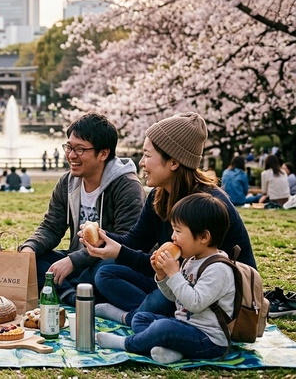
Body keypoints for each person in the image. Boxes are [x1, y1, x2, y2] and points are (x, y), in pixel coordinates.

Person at [83, 112, 256, 326]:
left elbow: (182, 270)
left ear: (173, 162)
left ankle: (134, 316)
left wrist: (121, 252)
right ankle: (145, 314)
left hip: (214, 294)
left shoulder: (206, 206)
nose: (142, 163)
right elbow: (137, 241)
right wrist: (104, 238)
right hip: (177, 281)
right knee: (105, 273)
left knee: (160, 299)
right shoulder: (159, 195)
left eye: (147, 155)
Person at [19, 113, 145, 306]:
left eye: (80, 149)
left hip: (108, 261)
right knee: (36, 259)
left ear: (103, 153)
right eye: (69, 147)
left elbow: (126, 240)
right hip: (78, 259)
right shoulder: (67, 182)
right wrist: (30, 248)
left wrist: (73, 261)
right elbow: (52, 227)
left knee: (105, 270)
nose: (71, 155)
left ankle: (66, 290)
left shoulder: (126, 186)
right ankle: (72, 294)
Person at [95, 193, 235, 364]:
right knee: (142, 318)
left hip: (209, 340)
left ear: (203, 237)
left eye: (178, 231)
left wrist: (174, 274)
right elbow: (175, 298)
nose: (173, 237)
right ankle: (172, 351)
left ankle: (127, 344)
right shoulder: (191, 260)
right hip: (185, 328)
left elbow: (194, 303)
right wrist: (162, 275)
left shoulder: (218, 268)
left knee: (163, 328)